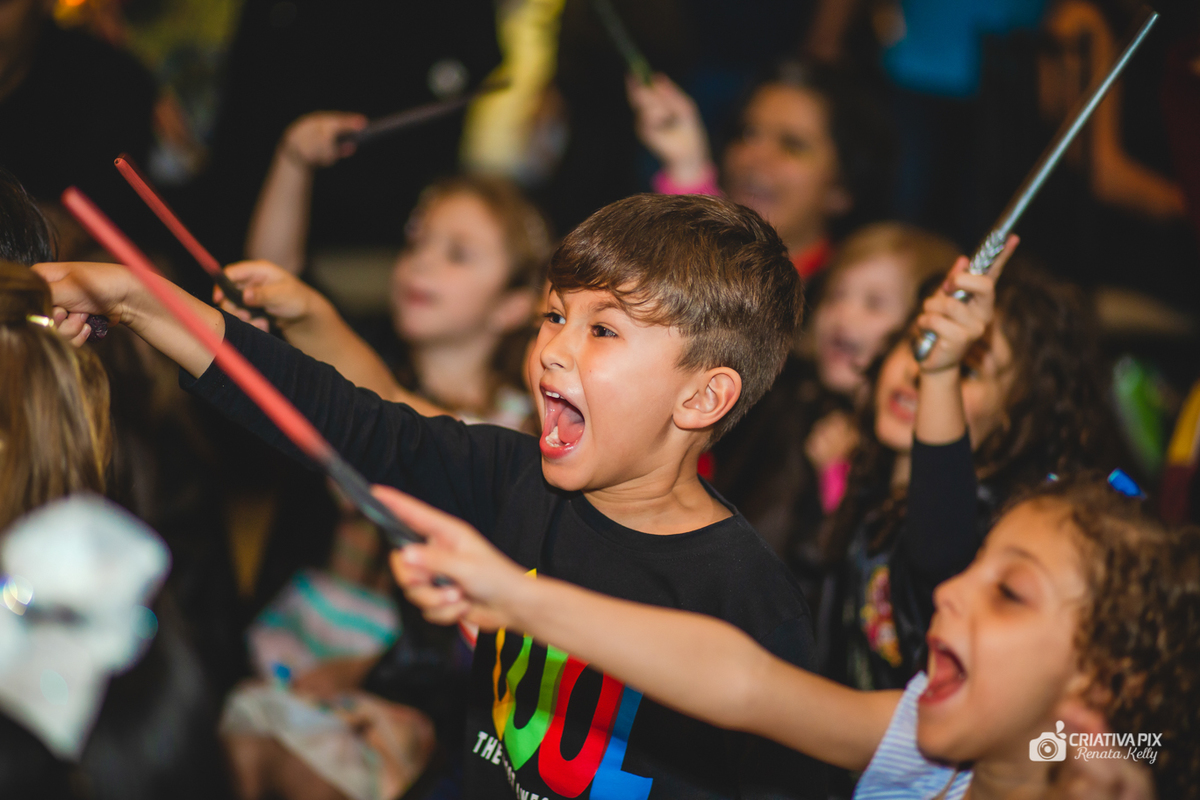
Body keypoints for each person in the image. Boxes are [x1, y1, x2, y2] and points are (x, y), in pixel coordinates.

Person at [39, 193, 829, 799]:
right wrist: (134, 298)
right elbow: (337, 414)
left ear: (702, 397)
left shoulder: (750, 603)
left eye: (603, 330)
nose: (553, 349)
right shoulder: (508, 478)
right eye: (554, 316)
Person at [384, 470, 1198, 800]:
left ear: (1101, 684)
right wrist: (515, 599)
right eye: (977, 568)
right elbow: (747, 685)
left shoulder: (1103, 765)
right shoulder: (926, 750)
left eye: (1010, 593)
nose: (951, 591)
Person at [823, 239, 1120, 693]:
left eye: (966, 368)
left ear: (1014, 419)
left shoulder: (985, 534)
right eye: (920, 342)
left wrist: (941, 373)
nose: (921, 369)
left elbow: (937, 544)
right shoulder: (868, 484)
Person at [708, 223, 959, 589]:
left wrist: (837, 478)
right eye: (836, 295)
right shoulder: (790, 395)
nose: (843, 314)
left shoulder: (902, 442)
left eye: (874, 303)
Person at [237, 162, 552, 428]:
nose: (422, 261)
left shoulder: (531, 420)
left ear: (512, 306)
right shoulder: (363, 355)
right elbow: (277, 276)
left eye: (458, 254)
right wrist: (294, 161)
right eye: (416, 243)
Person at [628, 60, 893, 283]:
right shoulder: (678, 255)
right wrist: (687, 167)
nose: (752, 156)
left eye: (792, 145)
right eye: (747, 133)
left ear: (842, 189)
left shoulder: (846, 305)